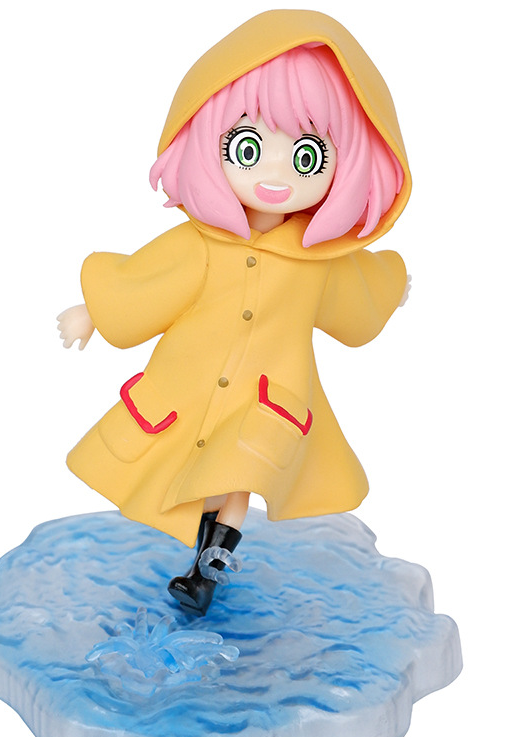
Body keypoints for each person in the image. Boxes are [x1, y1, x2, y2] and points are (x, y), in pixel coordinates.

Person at [58, 10, 411, 616]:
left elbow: (357, 299)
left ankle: (207, 572)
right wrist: (92, 311)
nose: (274, 174)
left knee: (240, 471)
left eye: (306, 156)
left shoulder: (318, 261)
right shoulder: (198, 245)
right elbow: (144, 284)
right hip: (191, 389)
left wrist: (390, 287)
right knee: (195, 475)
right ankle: (203, 555)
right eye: (248, 148)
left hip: (268, 397)